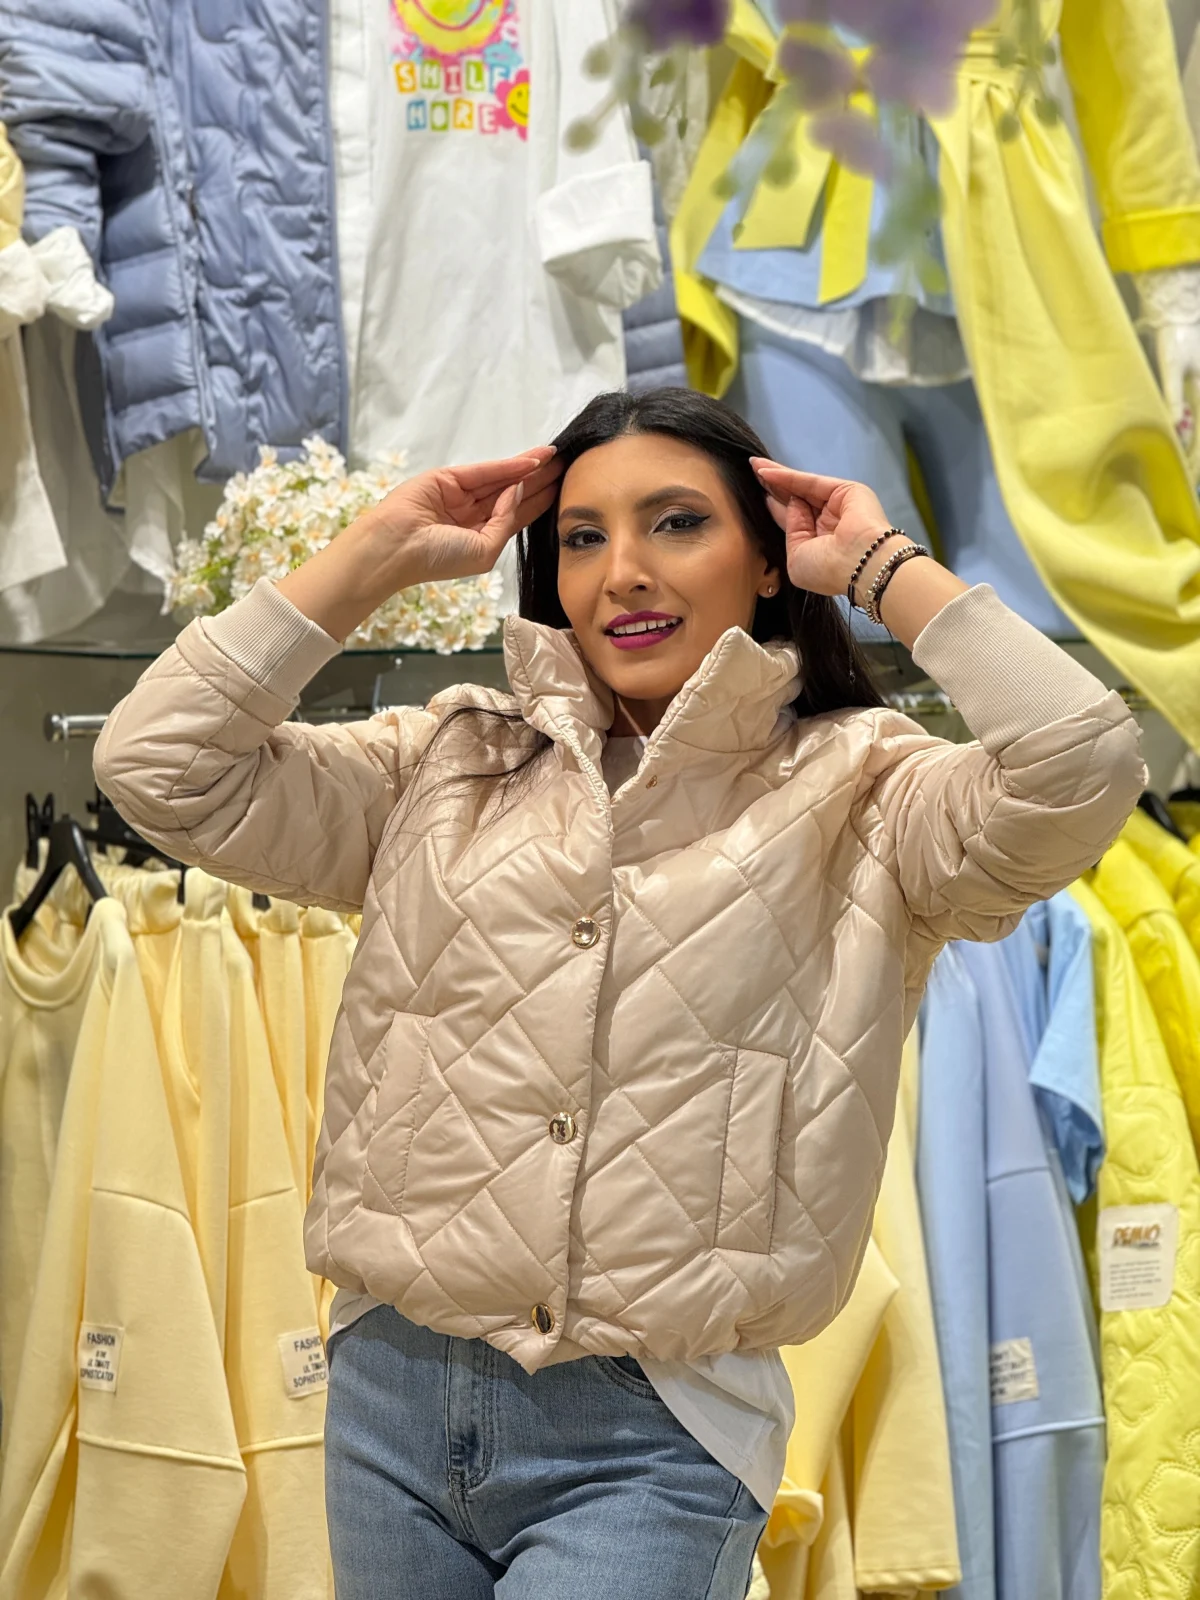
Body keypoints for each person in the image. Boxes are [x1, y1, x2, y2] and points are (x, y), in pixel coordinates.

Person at [94, 388, 1144, 1599]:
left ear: (768, 558)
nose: (623, 572)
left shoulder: (870, 795)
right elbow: (157, 763)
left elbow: (1082, 764)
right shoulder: (447, 762)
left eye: (677, 523)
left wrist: (880, 565)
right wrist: (374, 553)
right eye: (583, 537)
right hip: (391, 1392)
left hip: (655, 1427)